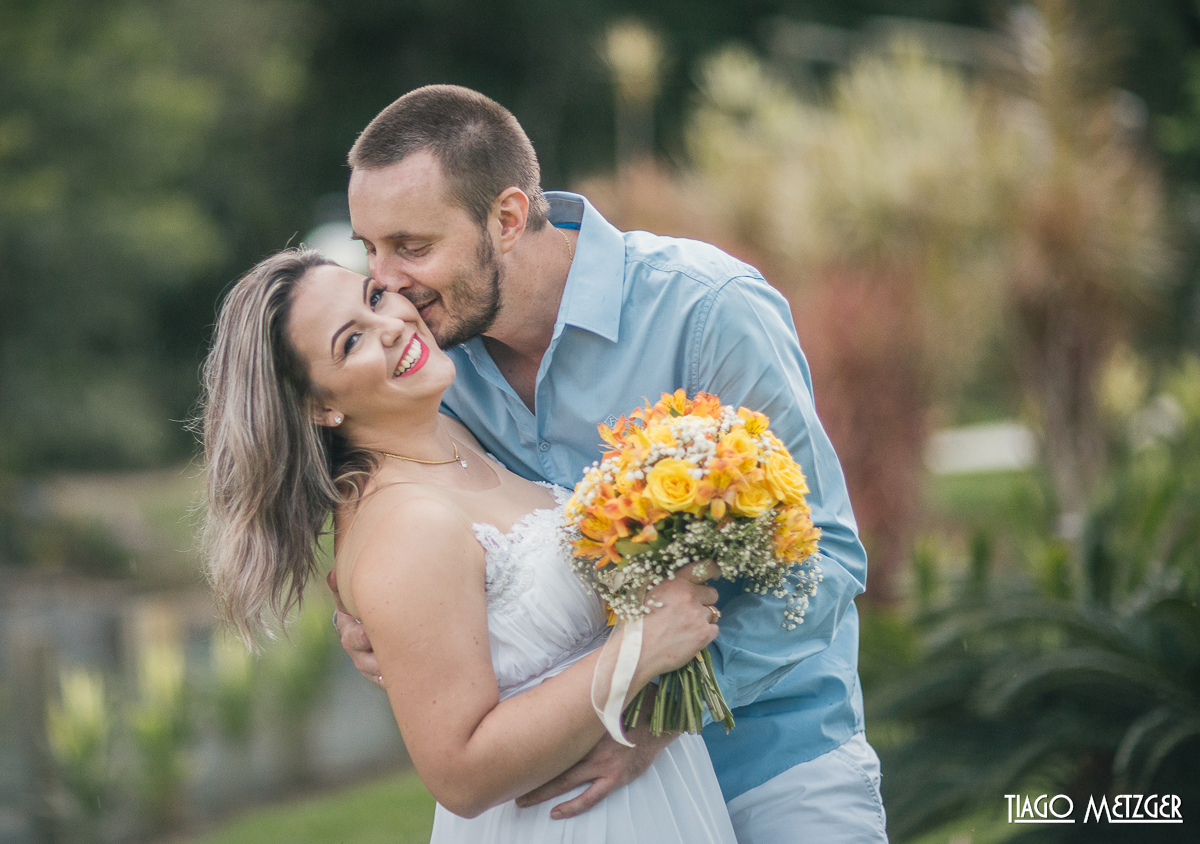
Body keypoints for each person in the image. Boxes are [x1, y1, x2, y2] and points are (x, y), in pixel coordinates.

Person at [332, 84, 888, 843]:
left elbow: (825, 556)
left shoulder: (706, 310)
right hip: (576, 802)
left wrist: (660, 716)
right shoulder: (436, 375)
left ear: (506, 219)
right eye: (371, 248)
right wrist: (382, 616)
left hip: (776, 764)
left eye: (412, 247)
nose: (387, 281)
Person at [201, 248, 740, 842]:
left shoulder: (449, 433)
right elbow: (459, 773)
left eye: (374, 297)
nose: (391, 326)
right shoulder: (405, 523)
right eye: (350, 341)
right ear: (320, 405)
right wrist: (640, 648)